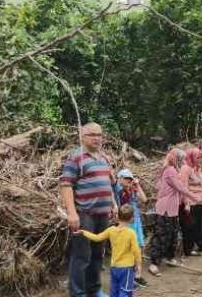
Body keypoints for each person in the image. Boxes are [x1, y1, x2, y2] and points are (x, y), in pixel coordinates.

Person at [60, 122, 119, 297]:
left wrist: (113, 204)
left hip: (102, 215)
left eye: (99, 135)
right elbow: (66, 185)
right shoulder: (76, 157)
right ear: (82, 137)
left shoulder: (104, 158)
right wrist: (71, 213)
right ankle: (78, 293)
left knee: (97, 255)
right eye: (92, 134)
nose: (97, 138)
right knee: (81, 256)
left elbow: (109, 184)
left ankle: (93, 290)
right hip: (84, 214)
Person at [147, 148, 200, 277]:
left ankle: (170, 257)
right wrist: (194, 197)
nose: (182, 162)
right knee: (161, 235)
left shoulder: (172, 170)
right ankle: (154, 263)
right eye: (181, 159)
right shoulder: (170, 170)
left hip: (171, 209)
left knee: (172, 234)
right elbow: (180, 187)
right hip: (165, 209)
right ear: (175, 159)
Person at [77, 204, 143, 297]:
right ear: (132, 218)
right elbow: (136, 251)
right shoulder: (131, 233)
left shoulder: (111, 230)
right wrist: (139, 265)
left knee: (114, 291)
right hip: (127, 268)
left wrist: (84, 232)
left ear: (117, 216)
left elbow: (97, 237)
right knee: (125, 292)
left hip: (114, 267)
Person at [179, 147, 202, 257]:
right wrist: (186, 203)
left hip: (200, 202)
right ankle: (189, 249)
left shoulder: (197, 169)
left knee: (201, 225)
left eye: (201, 157)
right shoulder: (186, 169)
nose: (200, 160)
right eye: (198, 157)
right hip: (191, 203)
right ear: (192, 157)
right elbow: (183, 186)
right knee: (189, 227)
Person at [114, 169, 147, 249]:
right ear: (120, 178)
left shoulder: (133, 190)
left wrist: (137, 185)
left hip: (136, 219)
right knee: (128, 244)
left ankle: (137, 259)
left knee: (139, 243)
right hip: (125, 220)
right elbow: (114, 183)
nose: (128, 180)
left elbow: (144, 199)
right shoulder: (118, 190)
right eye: (126, 178)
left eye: (130, 178)